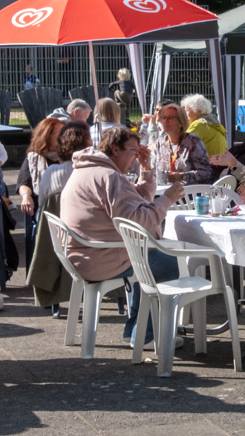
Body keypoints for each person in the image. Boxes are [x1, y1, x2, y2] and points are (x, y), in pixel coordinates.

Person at [59, 125, 186, 343]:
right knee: (169, 265)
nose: (135, 157)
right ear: (115, 149)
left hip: (83, 253)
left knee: (146, 259)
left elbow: (136, 202)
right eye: (132, 151)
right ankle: (146, 335)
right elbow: (139, 222)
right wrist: (167, 199)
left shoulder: (89, 169)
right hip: (99, 257)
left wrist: (146, 170)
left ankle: (135, 329)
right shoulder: (108, 176)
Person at [17, 116, 64, 223]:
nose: (64, 137)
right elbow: (23, 183)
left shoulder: (70, 156)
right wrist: (26, 196)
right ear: (47, 136)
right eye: (59, 134)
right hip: (45, 208)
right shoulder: (34, 159)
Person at [150, 102, 211, 185]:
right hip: (163, 192)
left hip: (188, 194)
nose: (165, 121)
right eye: (163, 117)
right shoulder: (160, 143)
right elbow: (152, 169)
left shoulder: (193, 141)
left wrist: (182, 176)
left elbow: (206, 173)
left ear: (181, 122)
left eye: (170, 118)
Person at [37, 121, 92, 207]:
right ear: (88, 143)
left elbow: (42, 204)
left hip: (53, 219)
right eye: (90, 138)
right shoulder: (93, 173)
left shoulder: (50, 172)